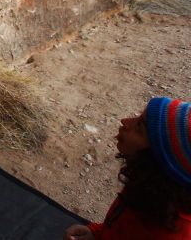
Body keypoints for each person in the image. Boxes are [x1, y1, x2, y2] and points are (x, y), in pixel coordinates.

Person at [63, 97, 191, 239]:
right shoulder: (150, 187)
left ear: (160, 160)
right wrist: (97, 233)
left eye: (139, 127)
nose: (125, 121)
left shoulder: (171, 233)